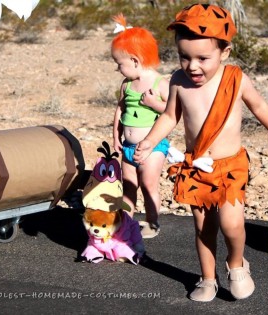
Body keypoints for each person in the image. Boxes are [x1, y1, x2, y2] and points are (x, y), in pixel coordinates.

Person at [134, 3, 268, 302]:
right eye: (184, 57)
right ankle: (208, 278)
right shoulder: (178, 81)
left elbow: (261, 107)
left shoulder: (235, 79)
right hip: (196, 168)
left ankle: (237, 264)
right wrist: (149, 141)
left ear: (224, 52)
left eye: (203, 58)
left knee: (232, 224)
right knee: (204, 228)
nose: (193, 66)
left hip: (230, 166)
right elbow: (169, 117)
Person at [111, 14, 170, 238]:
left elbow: (172, 112)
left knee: (148, 183)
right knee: (128, 185)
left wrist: (154, 103)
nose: (118, 69)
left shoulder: (159, 83)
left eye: (120, 65)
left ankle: (153, 222)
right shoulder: (127, 84)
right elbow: (120, 110)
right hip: (128, 146)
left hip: (153, 147)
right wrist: (116, 137)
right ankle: (126, 221)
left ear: (135, 61)